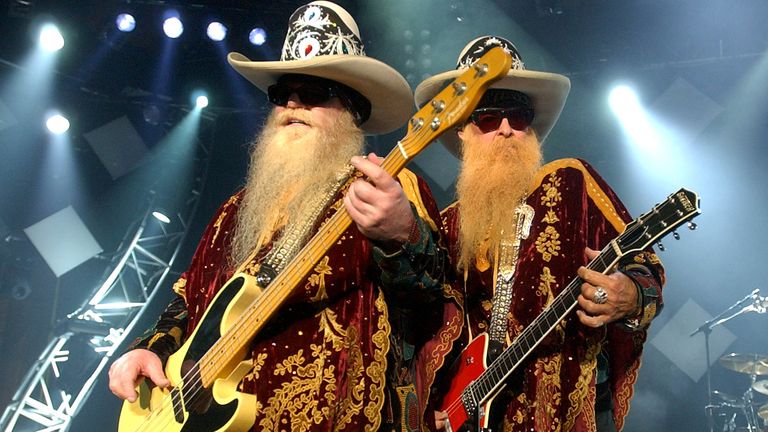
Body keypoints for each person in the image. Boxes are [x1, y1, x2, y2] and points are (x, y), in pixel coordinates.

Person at [108, 2, 458, 431]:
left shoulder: (389, 188)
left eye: (312, 93)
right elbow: (188, 298)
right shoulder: (234, 209)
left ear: (352, 110)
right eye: (282, 93)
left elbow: (433, 304)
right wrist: (150, 349)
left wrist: (401, 235)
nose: (293, 102)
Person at [414, 36, 665, 431]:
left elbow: (645, 268)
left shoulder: (573, 182)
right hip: (476, 414)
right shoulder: (447, 223)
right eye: (488, 118)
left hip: (565, 407)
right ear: (463, 130)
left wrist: (631, 295)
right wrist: (439, 401)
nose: (506, 129)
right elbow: (432, 331)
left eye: (519, 115)